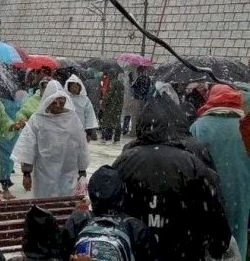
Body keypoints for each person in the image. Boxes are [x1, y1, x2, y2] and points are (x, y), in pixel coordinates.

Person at [113, 96, 231, 261]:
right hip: (183, 250)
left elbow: (109, 205)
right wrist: (217, 245)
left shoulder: (125, 161)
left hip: (136, 250)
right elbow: (214, 211)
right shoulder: (191, 163)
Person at [190, 84, 250, 260]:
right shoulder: (245, 126)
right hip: (242, 189)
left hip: (209, 192)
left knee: (209, 236)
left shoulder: (199, 127)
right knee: (239, 232)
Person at [60, 165, 155, 260]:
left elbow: (62, 255)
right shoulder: (135, 227)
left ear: (91, 192)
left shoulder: (78, 219)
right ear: (122, 194)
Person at [11, 87, 89, 198]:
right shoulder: (37, 119)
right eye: (54, 101)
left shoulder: (73, 118)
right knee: (45, 205)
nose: (58, 105)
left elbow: (82, 145)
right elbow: (27, 147)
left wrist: (82, 170)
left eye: (61, 101)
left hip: (68, 171)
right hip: (44, 173)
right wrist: (26, 173)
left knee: (67, 204)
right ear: (47, 101)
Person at [64, 75, 98, 141]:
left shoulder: (85, 100)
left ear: (80, 88)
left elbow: (89, 116)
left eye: (76, 87)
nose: (74, 89)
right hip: (66, 129)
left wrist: (89, 132)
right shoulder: (65, 99)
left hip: (81, 129)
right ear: (68, 88)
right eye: (72, 87)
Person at [99, 71, 124, 144]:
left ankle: (108, 137)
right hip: (119, 105)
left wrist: (104, 101)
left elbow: (110, 94)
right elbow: (121, 95)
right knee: (117, 121)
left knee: (108, 121)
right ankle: (117, 138)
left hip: (111, 105)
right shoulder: (121, 84)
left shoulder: (112, 83)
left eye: (109, 74)